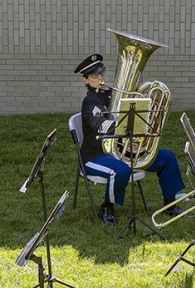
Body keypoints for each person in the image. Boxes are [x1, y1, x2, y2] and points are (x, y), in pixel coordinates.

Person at [74, 54, 186, 225]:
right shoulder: (91, 102)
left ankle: (170, 206)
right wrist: (124, 123)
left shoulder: (113, 94)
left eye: (102, 74)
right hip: (94, 155)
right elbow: (102, 127)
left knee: (167, 157)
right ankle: (107, 207)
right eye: (94, 76)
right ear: (85, 80)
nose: (100, 78)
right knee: (121, 170)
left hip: (119, 150)